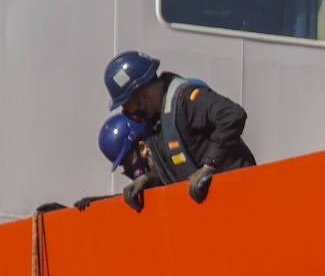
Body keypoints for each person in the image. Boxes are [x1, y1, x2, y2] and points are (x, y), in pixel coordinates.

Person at [103, 50, 256, 211]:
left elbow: (232, 115)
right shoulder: (155, 125)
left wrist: (210, 164)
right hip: (213, 208)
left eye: (126, 105)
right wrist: (148, 179)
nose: (125, 112)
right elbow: (172, 167)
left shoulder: (186, 100)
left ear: (140, 94)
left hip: (239, 195)